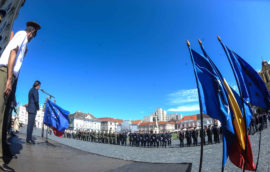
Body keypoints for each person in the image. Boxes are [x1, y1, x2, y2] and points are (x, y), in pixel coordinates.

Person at [0, 21, 41, 171]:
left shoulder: (24, 41)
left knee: (5, 119)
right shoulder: (22, 34)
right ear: (31, 33)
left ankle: (3, 151)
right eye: (33, 36)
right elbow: (12, 52)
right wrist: (9, 79)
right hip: (5, 72)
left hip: (10, 75)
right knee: (0, 115)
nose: (32, 38)